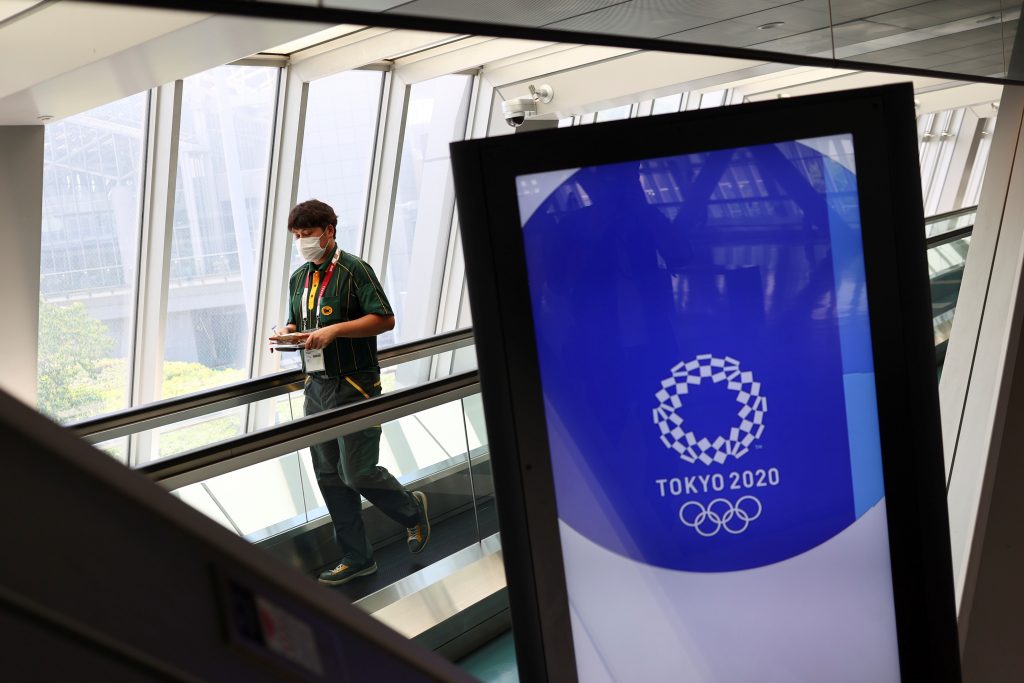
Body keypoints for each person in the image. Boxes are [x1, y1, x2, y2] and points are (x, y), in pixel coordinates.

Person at [272, 199, 430, 586]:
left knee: (356, 472)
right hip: (316, 386)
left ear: (328, 230)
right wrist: (288, 333)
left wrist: (336, 330)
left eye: (307, 234)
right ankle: (357, 557)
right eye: (296, 236)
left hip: (355, 384)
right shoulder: (300, 278)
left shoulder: (353, 269)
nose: (302, 242)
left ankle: (412, 510)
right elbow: (300, 319)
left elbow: (385, 318)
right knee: (328, 475)